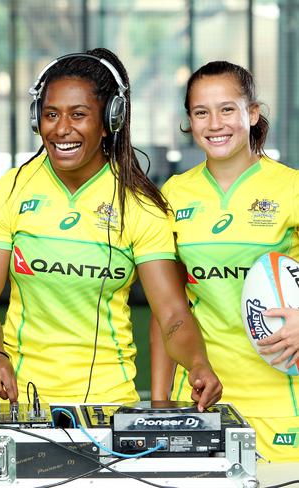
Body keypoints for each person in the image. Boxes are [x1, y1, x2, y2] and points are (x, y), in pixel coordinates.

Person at [0, 48, 222, 409]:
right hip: (22, 404)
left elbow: (172, 313)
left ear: (108, 122)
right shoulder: (9, 190)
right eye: (51, 114)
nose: (61, 128)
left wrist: (197, 363)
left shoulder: (140, 205)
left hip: (109, 403)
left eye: (78, 115)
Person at [150, 61, 299, 462]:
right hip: (198, 401)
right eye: (202, 112)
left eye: (227, 109)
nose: (215, 123)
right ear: (190, 122)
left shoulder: (291, 188)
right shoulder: (175, 194)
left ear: (252, 112)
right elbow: (168, 310)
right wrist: (162, 403)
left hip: (283, 404)